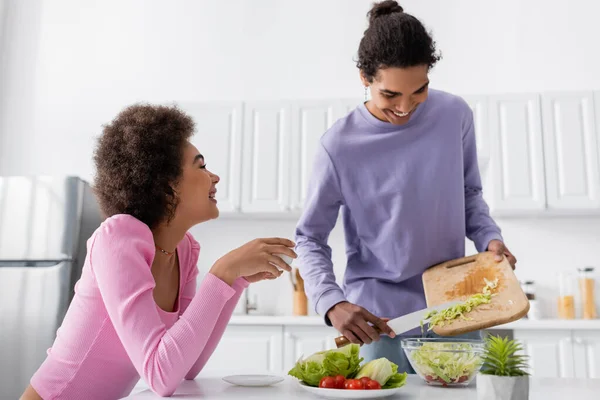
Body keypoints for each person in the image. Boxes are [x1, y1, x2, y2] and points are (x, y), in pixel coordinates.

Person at [294, 0, 517, 372]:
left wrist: (489, 239)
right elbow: (310, 237)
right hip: (379, 321)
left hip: (455, 308)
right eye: (390, 95)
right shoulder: (338, 147)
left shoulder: (454, 115)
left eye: (419, 91)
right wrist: (330, 302)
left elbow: (468, 194)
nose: (405, 107)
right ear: (364, 78)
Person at [21, 104, 296, 400]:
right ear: (167, 186)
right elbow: (160, 376)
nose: (214, 177)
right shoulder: (119, 238)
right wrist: (222, 272)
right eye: (201, 166)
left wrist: (235, 281)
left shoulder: (185, 249)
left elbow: (186, 365)